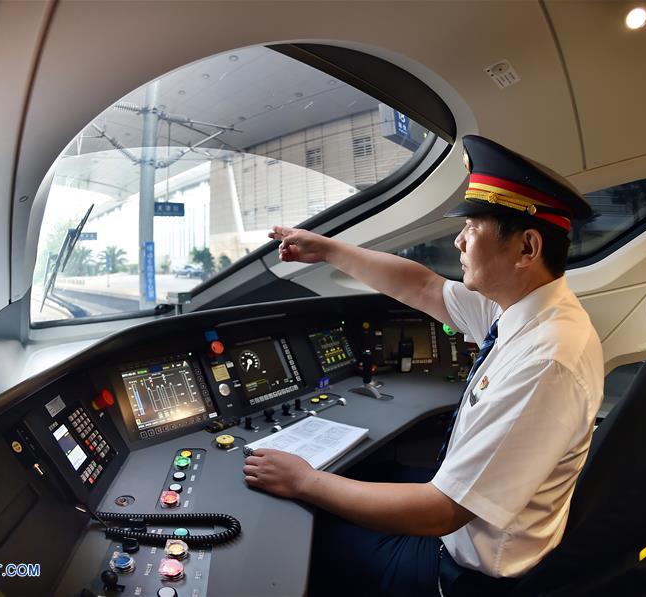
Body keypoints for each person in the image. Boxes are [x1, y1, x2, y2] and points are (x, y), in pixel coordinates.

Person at [244, 135, 603, 595]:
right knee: (357, 479)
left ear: (527, 249)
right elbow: (425, 289)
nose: (458, 240)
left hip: (460, 571)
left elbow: (442, 511)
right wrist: (328, 249)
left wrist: (305, 481)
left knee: (313, 531)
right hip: (463, 527)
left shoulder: (548, 359)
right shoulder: (522, 308)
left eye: (472, 228)